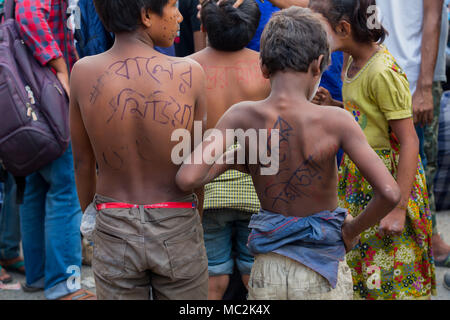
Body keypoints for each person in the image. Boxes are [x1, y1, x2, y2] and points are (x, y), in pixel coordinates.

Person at [176, 6, 401, 300]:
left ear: (264, 68)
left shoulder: (241, 116)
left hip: (266, 271)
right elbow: (390, 193)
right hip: (321, 269)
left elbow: (187, 178)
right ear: (319, 65)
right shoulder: (336, 120)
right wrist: (350, 231)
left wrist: (232, 159)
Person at [70, 0, 208, 300]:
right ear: (146, 15)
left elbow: (82, 162)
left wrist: (93, 217)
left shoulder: (82, 72)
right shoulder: (190, 71)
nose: (180, 15)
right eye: (173, 5)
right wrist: (194, 217)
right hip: (177, 220)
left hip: (113, 220)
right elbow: (197, 165)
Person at [310, 0, 436, 299]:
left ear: (343, 28)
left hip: (390, 184)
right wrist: (336, 107)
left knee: (393, 274)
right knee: (367, 274)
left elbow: (409, 141)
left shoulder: (382, 72)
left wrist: (398, 209)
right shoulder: (351, 62)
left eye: (319, 29)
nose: (315, 38)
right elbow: (370, 118)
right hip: (362, 180)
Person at [188, 0, 270, 300]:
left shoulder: (188, 67)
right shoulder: (266, 68)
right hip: (256, 191)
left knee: (213, 280)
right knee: (254, 276)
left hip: (206, 191)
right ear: (251, 29)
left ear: (204, 27)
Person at [14, 0, 94, 300]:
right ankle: (63, 283)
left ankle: (39, 276)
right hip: (50, 100)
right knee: (65, 188)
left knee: (36, 186)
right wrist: (61, 67)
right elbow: (29, 14)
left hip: (28, 102)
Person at [376, 0, 450, 269]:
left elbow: (434, 19)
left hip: (413, 77)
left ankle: (426, 241)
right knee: (384, 162)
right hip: (379, 69)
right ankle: (408, 243)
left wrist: (424, 87)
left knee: (421, 167)